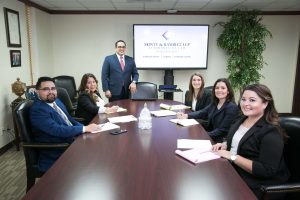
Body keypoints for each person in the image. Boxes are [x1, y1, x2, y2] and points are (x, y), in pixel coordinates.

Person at [212, 84, 289, 199]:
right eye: (243, 99)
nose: (245, 104)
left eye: (252, 100)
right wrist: (224, 144)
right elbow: (241, 141)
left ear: (265, 103)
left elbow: (267, 170)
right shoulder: (242, 119)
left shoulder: (271, 132)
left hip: (258, 183)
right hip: (236, 170)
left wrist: (232, 156)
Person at [30, 77, 101, 172]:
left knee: (99, 145)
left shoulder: (57, 101)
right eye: (46, 89)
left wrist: (86, 128)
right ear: (37, 91)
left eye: (53, 88)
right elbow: (57, 130)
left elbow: (70, 120)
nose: (51, 92)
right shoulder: (38, 110)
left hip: (71, 140)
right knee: (96, 156)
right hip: (58, 150)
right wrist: (84, 129)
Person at [177, 78, 239, 143]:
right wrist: (186, 115)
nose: (219, 90)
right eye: (217, 88)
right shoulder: (215, 103)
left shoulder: (232, 108)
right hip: (211, 136)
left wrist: (203, 136)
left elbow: (222, 130)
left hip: (220, 142)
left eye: (223, 88)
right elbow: (202, 112)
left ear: (228, 91)